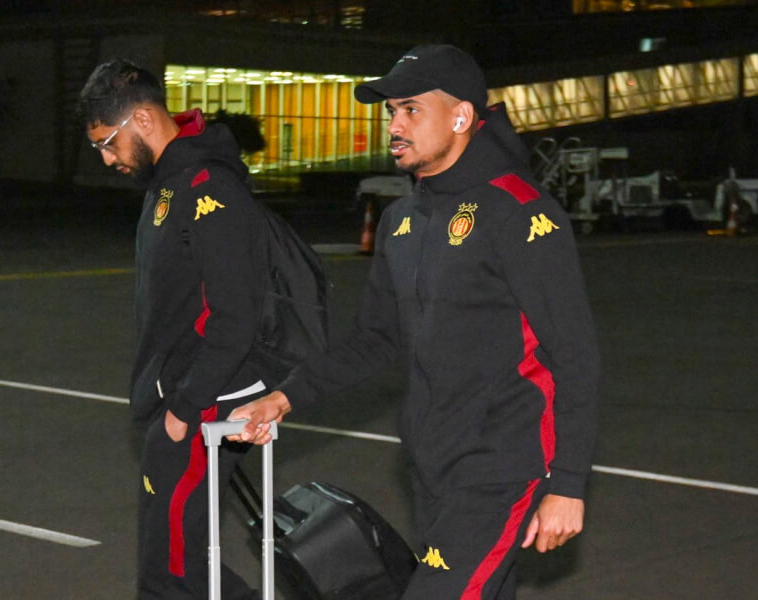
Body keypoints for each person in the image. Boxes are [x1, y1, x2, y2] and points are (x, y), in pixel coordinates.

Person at [229, 44, 600, 600]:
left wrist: (567, 484)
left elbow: (574, 354)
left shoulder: (521, 213)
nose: (395, 126)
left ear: (460, 117)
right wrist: (283, 399)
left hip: (504, 464)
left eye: (410, 110)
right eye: (391, 113)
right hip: (432, 463)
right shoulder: (403, 222)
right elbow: (375, 339)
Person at [77, 59, 273, 600]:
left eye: (108, 142)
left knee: (173, 575)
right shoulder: (169, 182)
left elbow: (237, 315)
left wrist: (184, 410)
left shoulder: (210, 186)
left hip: (203, 400)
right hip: (180, 397)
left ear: (142, 119)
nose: (107, 158)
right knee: (175, 566)